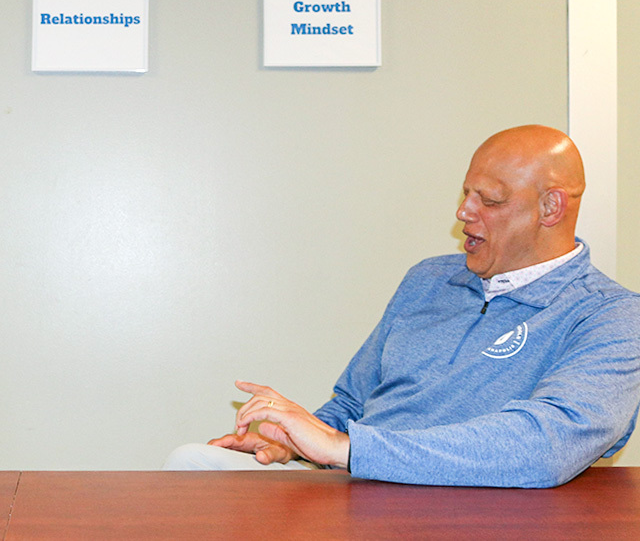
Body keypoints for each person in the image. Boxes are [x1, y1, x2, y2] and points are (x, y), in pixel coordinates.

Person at [164, 125, 640, 487]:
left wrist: (347, 451)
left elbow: (548, 446)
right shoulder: (429, 279)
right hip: (353, 485)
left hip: (461, 508)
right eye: (466, 192)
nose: (463, 212)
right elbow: (352, 404)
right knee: (191, 464)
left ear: (551, 208)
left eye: (489, 200)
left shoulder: (612, 316)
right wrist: (294, 443)